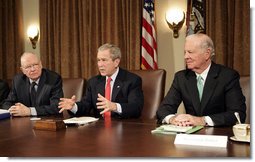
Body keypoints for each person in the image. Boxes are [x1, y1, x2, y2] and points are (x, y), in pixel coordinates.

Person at [156, 33, 246, 127]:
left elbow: (237, 114)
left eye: (190, 52)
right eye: (185, 52)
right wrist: (172, 119)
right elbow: (163, 109)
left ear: (207, 54)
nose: (185, 57)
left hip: (218, 134)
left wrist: (203, 120)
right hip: (189, 136)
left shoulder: (227, 76)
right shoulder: (181, 77)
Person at [58, 43, 144, 119]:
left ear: (116, 62)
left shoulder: (132, 80)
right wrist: (74, 107)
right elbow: (86, 106)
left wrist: (115, 106)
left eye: (104, 60)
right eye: (98, 60)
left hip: (124, 128)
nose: (100, 65)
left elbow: (136, 108)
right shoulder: (94, 82)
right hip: (98, 129)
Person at [2, 52, 63, 116]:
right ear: (22, 70)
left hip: (47, 121)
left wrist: (30, 111)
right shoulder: (18, 81)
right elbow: (7, 103)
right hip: (23, 122)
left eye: (35, 65)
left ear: (41, 65)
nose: (33, 69)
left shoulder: (53, 79)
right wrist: (15, 110)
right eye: (28, 67)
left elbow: (57, 107)